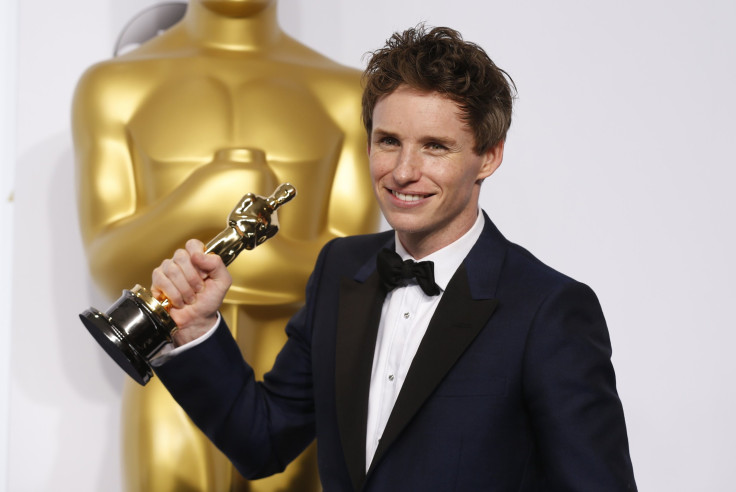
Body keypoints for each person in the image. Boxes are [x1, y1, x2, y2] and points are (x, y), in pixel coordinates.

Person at [150, 25, 637, 491]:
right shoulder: (340, 269)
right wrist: (198, 331)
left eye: (435, 147)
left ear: (488, 157)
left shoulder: (549, 310)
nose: (404, 172)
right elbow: (262, 443)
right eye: (389, 142)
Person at [72, 0, 378, 490]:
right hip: (169, 375)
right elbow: (108, 265)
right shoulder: (113, 87)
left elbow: (352, 272)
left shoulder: (347, 94)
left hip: (295, 379)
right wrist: (201, 197)